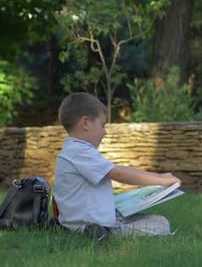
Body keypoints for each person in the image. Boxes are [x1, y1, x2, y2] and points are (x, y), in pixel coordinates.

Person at [53, 92, 181, 240]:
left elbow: (114, 170)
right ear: (85, 123)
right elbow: (118, 173)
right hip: (91, 224)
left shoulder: (74, 149)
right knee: (161, 224)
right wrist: (160, 180)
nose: (105, 132)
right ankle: (101, 233)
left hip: (85, 221)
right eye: (102, 125)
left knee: (153, 219)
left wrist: (160, 176)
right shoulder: (80, 152)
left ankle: (101, 229)